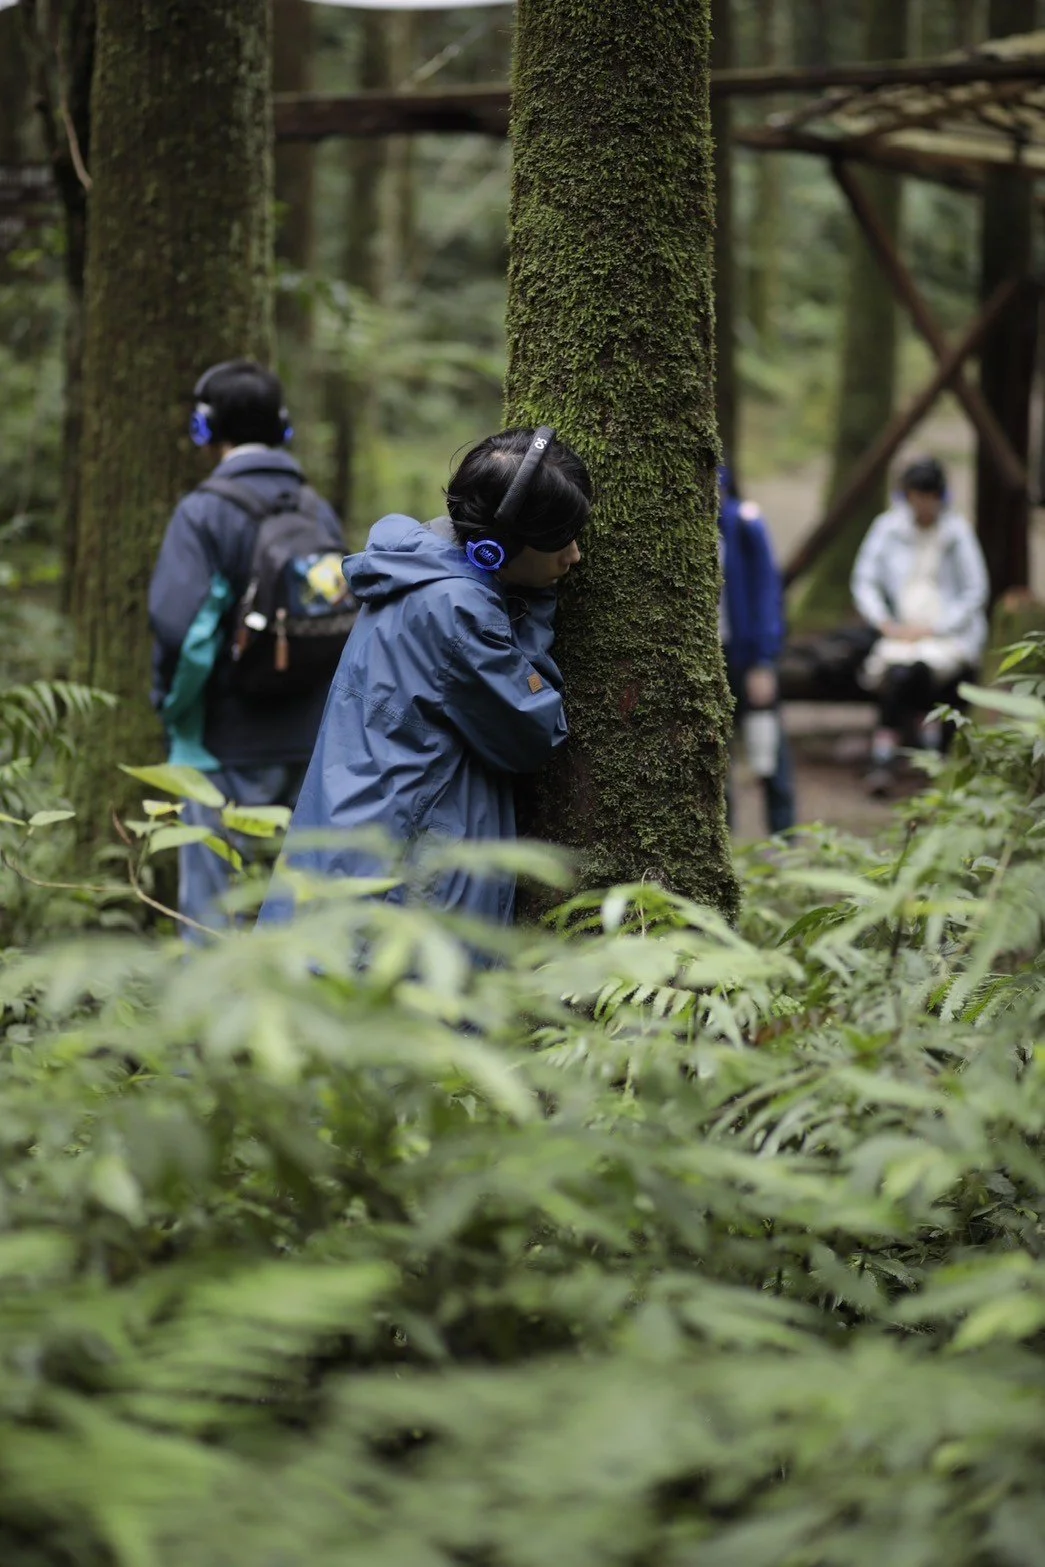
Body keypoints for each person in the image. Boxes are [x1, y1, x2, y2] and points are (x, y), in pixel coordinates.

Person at [260, 426, 590, 926]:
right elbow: (536, 729)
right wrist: (537, 608)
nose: (574, 557)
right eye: (558, 542)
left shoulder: (415, 571)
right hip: (399, 883)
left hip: (356, 847)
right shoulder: (456, 611)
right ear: (494, 549)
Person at [149, 359, 345, 931]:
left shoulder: (203, 514)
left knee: (212, 910)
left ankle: (216, 1014)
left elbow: (184, 632)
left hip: (225, 745)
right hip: (313, 740)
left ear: (204, 428)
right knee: (304, 903)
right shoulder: (317, 510)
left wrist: (178, 719)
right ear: (283, 427)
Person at [851, 456, 989, 796]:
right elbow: (865, 579)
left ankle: (919, 757)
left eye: (929, 496)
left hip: (945, 636)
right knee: (898, 674)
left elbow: (974, 590)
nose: (923, 504)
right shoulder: (888, 528)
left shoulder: (956, 533)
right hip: (899, 631)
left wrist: (936, 627)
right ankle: (893, 757)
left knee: (924, 674)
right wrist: (883, 620)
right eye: (917, 495)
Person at [718, 466, 795, 835]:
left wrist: (764, 661)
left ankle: (784, 840)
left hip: (746, 657)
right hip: (711, 656)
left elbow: (767, 594)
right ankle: (724, 841)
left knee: (770, 750)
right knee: (718, 756)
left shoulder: (744, 525)